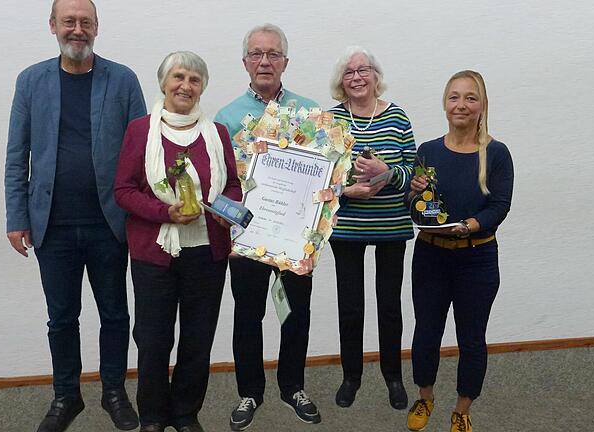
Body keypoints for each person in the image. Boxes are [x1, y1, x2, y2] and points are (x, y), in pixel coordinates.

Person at [4, 1, 145, 431]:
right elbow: (17, 154)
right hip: (52, 224)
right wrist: (16, 216)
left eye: (86, 22)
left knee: (115, 315)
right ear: (53, 27)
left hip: (110, 223)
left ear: (97, 28)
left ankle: (114, 392)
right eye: (69, 21)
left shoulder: (122, 80)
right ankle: (66, 395)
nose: (77, 29)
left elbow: (144, 151)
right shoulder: (31, 81)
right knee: (61, 318)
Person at [114, 51, 241, 432]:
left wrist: (227, 208)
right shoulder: (140, 130)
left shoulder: (216, 133)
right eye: (179, 77)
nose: (186, 85)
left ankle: (185, 414)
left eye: (195, 80)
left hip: (208, 251)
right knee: (153, 340)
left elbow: (232, 183)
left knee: (197, 339)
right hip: (155, 254)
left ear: (203, 87)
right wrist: (163, 212)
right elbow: (123, 190)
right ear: (164, 83)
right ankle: (153, 416)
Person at [214, 24, 322, 431]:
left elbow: (323, 177)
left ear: (285, 62)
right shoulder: (225, 118)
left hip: (296, 236)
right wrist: (227, 224)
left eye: (273, 54)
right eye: (257, 54)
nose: (264, 61)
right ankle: (249, 392)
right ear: (245, 62)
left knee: (296, 312)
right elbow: (218, 179)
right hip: (247, 237)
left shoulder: (311, 114)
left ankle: (293, 385)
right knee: (248, 313)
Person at [405, 70, 513, 432]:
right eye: (454, 97)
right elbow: (419, 209)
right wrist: (415, 193)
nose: (461, 105)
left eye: (470, 97)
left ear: (482, 105)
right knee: (426, 332)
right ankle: (426, 397)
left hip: (477, 258)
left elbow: (499, 206)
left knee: (471, 338)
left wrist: (468, 226)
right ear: (444, 103)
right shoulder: (428, 151)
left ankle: (463, 408)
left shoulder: (496, 153)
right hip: (430, 256)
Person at [326, 46, 416, 410]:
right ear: (340, 83)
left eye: (363, 70)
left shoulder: (398, 117)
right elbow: (319, 179)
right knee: (350, 306)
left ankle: (393, 376)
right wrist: (348, 189)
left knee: (389, 305)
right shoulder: (330, 120)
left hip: (392, 225)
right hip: (346, 226)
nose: (357, 77)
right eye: (348, 73)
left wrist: (387, 173)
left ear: (376, 77)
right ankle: (352, 376)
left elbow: (414, 174)